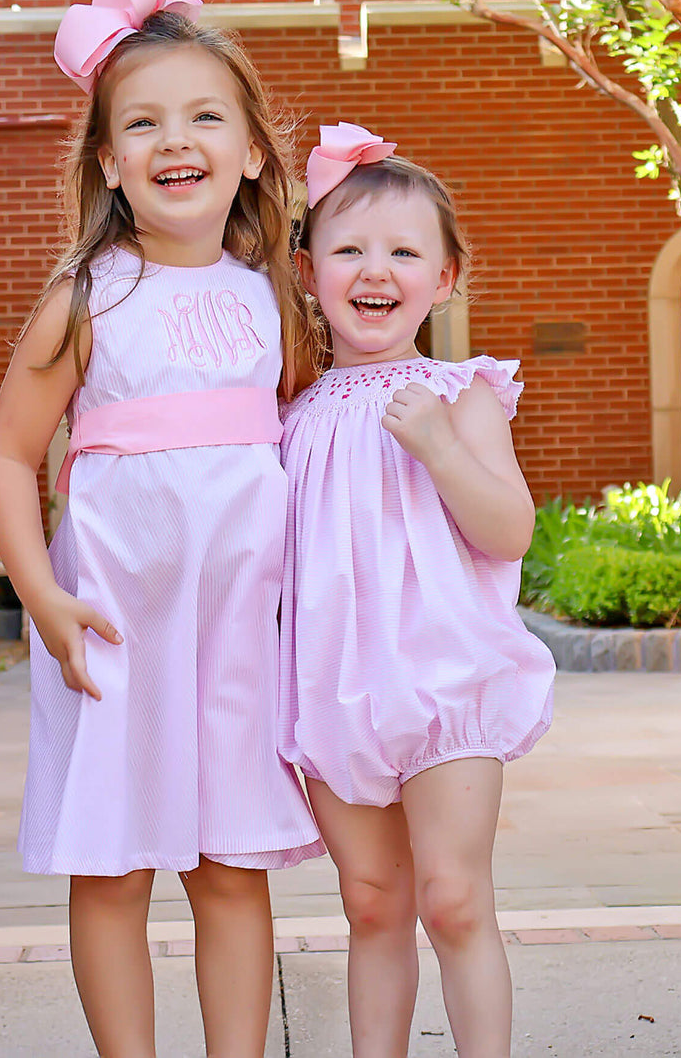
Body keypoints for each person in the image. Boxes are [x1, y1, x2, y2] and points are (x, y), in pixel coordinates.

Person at [0, 0, 323, 1058]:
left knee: (228, 862)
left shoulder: (274, 295)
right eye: (143, 123)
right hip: (110, 624)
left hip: (235, 632)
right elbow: (4, 454)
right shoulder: (89, 293)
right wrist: (44, 599)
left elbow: (305, 452)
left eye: (204, 116)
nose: (176, 140)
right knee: (114, 862)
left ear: (252, 151)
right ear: (109, 160)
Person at [279, 123, 556, 1058]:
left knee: (453, 896)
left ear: (444, 277)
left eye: (404, 250)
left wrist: (439, 446)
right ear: (310, 267)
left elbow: (508, 529)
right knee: (372, 902)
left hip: (446, 683)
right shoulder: (290, 416)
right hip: (334, 685)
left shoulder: (463, 393)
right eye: (349, 247)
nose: (375, 269)